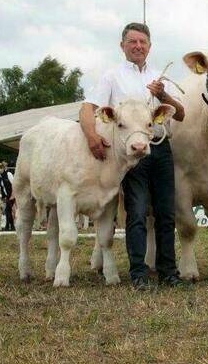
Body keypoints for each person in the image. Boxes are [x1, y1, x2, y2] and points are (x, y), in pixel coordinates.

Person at [80, 22, 186, 290]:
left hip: (160, 146)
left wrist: (163, 94)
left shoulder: (159, 77)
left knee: (166, 212)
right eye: (132, 41)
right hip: (130, 154)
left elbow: (181, 114)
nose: (138, 46)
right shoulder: (112, 77)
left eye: (142, 42)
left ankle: (169, 273)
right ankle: (139, 274)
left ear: (150, 46)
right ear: (122, 46)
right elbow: (87, 108)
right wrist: (92, 137)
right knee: (136, 212)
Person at [0, 162, 15, 231]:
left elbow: (13, 185)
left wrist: (12, 195)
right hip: (6, 197)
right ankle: (11, 226)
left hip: (11, 196)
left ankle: (8, 226)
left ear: (2, 168)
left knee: (8, 211)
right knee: (8, 211)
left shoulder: (8, 174)